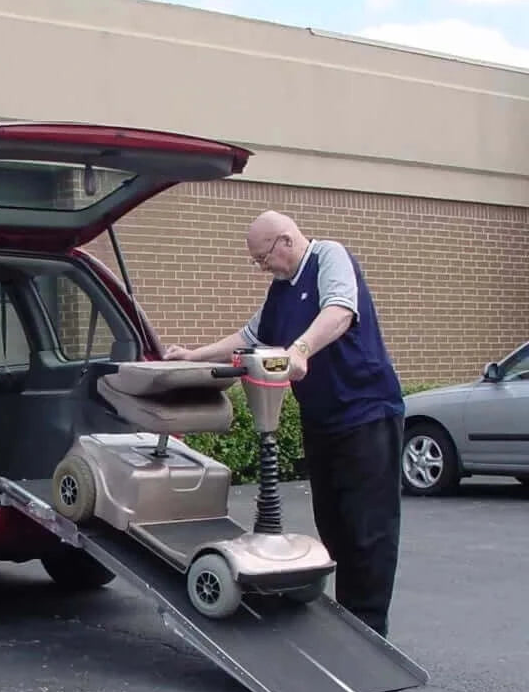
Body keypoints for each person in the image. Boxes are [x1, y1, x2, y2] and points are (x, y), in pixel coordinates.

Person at [164, 210, 404, 638]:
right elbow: (248, 338)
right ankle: (349, 623)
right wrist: (194, 356)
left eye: (262, 258)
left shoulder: (329, 257)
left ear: (285, 242)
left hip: (367, 414)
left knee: (368, 530)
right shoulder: (280, 292)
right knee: (334, 526)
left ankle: (371, 631)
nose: (262, 268)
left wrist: (300, 350)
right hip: (323, 420)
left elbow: (340, 310)